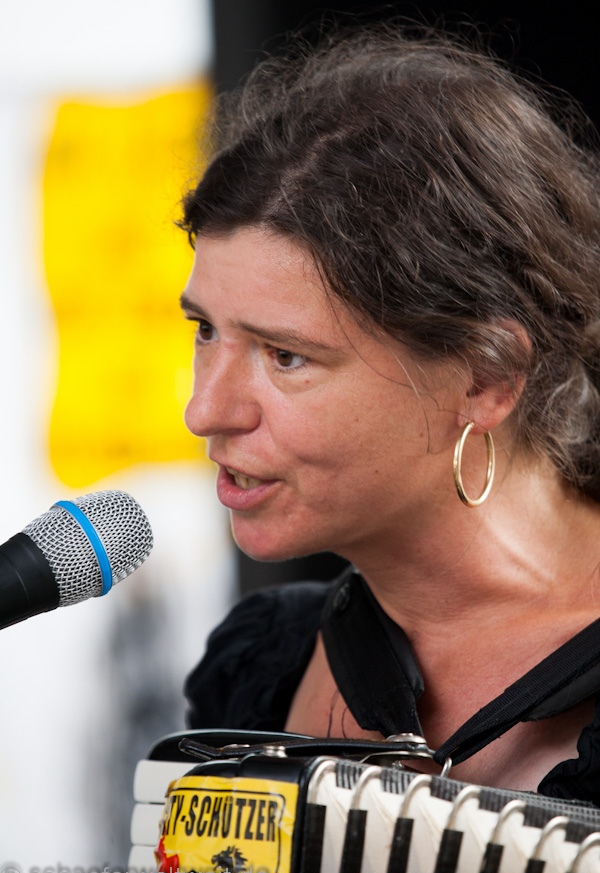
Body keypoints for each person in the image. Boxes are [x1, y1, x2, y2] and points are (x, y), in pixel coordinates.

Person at [178, 24, 600, 805]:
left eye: (285, 356)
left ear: (485, 377)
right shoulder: (265, 663)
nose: (204, 411)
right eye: (205, 330)